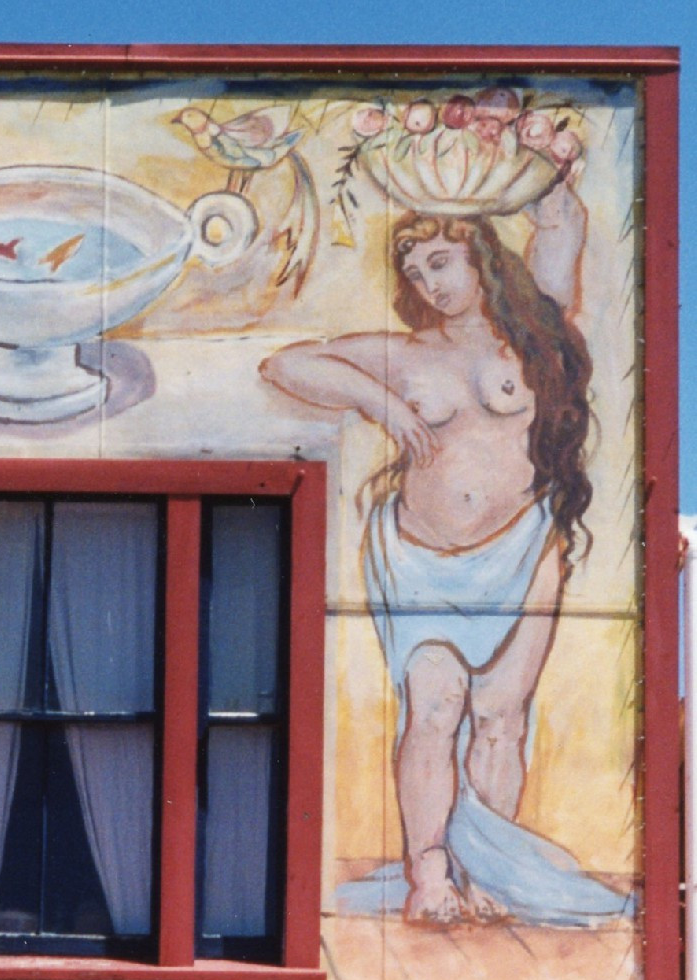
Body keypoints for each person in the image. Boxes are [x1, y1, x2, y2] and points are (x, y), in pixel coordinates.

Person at [262, 180, 627, 926]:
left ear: (482, 258)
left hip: (522, 549)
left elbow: (561, 218)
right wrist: (382, 403)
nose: (429, 283)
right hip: (421, 557)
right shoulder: (402, 354)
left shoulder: (533, 333)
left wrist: (522, 161)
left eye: (440, 261)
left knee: (500, 717)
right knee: (432, 707)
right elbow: (287, 365)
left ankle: (484, 870)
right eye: (416, 272)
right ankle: (428, 870)